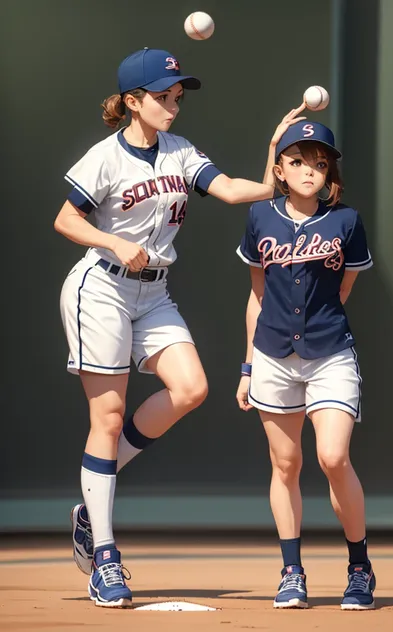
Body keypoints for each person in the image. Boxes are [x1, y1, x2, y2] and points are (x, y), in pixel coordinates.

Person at [54, 47, 274, 608]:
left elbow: (226, 190)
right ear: (132, 101)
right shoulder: (105, 157)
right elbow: (65, 218)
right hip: (100, 288)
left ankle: (92, 489)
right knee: (105, 415)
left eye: (177, 95)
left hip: (153, 293)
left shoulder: (179, 151)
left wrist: (277, 178)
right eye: (161, 95)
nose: (172, 103)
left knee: (191, 389)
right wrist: (111, 239)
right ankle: (105, 558)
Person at [235, 107, 376, 610]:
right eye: (298, 159)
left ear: (329, 173)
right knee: (286, 462)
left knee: (333, 456)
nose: (310, 168)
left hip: (329, 352)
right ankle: (292, 570)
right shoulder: (259, 216)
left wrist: (314, 324)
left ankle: (359, 565)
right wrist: (248, 366)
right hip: (272, 354)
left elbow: (344, 287)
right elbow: (257, 295)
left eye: (320, 160)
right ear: (279, 169)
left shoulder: (346, 221)